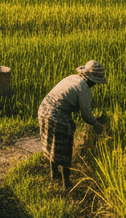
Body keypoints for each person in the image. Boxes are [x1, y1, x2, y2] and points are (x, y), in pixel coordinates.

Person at [37, 60, 107, 192]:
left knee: (52, 143)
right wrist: (96, 124)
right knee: (64, 148)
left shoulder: (72, 78)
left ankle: (54, 174)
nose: (95, 85)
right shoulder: (84, 88)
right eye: (96, 82)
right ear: (92, 80)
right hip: (57, 116)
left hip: (43, 110)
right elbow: (86, 116)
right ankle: (66, 184)